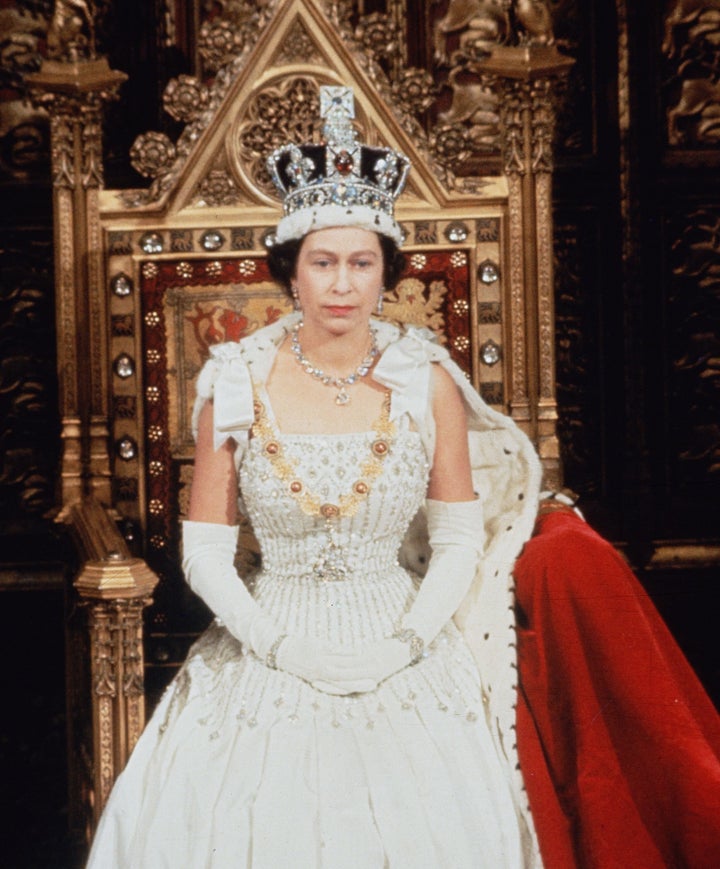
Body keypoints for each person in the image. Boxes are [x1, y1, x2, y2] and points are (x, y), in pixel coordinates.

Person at [85, 86, 720, 868]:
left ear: (387, 271)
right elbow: (206, 555)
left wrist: (409, 639)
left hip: (400, 631)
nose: (343, 284)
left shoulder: (428, 381)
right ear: (291, 272)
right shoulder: (234, 380)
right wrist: (280, 645)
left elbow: (455, 536)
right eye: (323, 262)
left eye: (361, 262)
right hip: (269, 632)